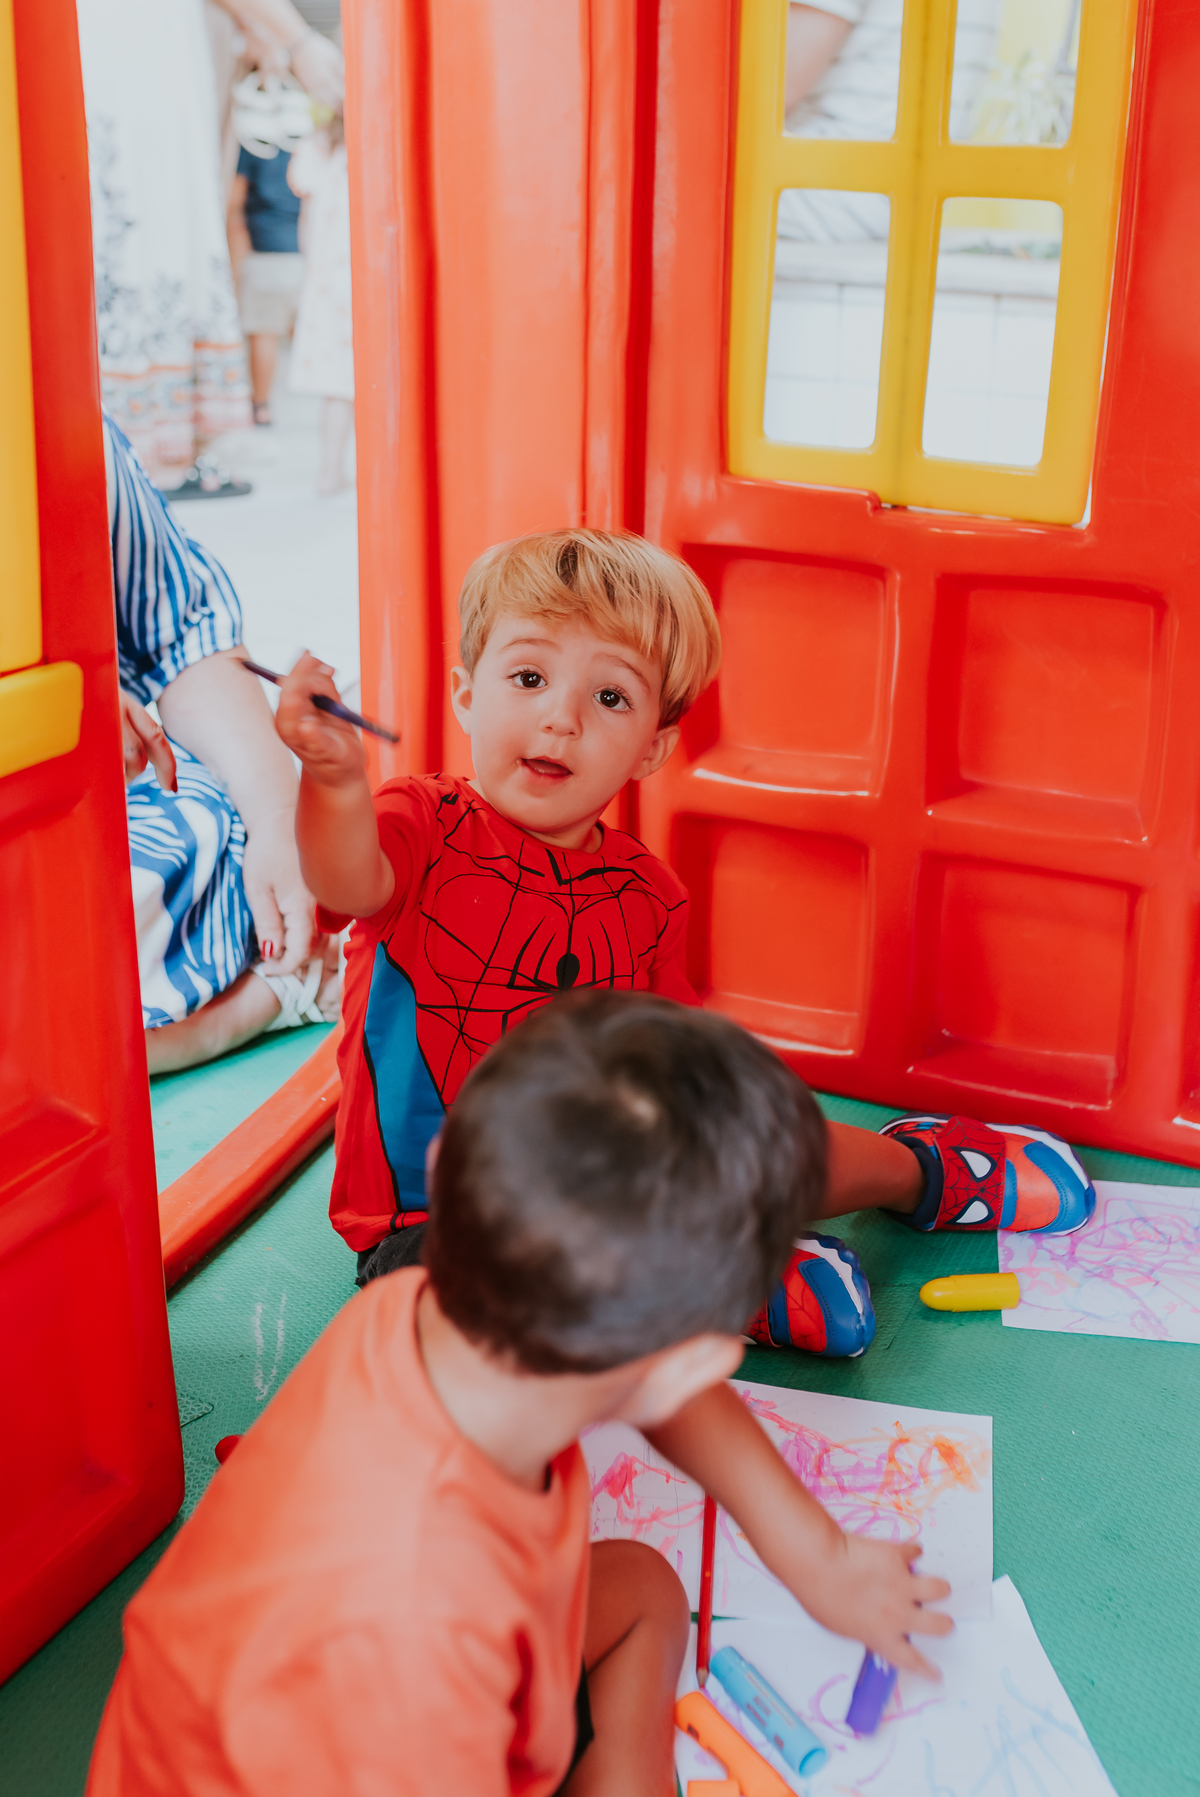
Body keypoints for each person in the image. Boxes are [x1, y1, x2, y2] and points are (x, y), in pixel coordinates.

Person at [85, 991, 954, 1796]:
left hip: (304, 1695)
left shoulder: (414, 1303)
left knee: (649, 1589)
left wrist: (821, 1559)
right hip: (364, 1740)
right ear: (692, 1359)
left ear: (445, 1165)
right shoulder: (424, 1634)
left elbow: (667, 1392)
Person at [275, 530, 1096, 1355]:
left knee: (751, 1136)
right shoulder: (417, 821)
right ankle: (720, 1281)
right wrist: (335, 780)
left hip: (611, 1182)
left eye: (611, 699)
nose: (560, 717)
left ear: (654, 747)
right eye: (528, 678)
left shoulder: (644, 893)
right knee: (469, 1325)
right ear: (465, 694)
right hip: (434, 1227)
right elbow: (346, 882)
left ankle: (916, 1170)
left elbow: (687, 1070)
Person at [109, 413, 340, 1071]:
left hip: (96, 808)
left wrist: (278, 820)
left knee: (221, 821)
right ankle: (232, 1013)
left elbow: (181, 632)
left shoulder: (52, 413)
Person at [77, 0, 343, 494]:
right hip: (133, 51)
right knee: (145, 209)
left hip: (126, 45)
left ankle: (140, 439)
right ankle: (148, 444)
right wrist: (296, 38)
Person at [287, 110, 355, 493]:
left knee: (335, 381)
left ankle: (329, 470)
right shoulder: (372, 146)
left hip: (326, 278)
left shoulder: (316, 150)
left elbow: (307, 220)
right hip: (361, 273)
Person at [227, 134, 303, 426]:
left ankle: (261, 406)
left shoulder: (252, 144)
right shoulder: (303, 144)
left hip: (264, 253)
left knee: (264, 333)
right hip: (301, 253)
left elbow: (235, 200)